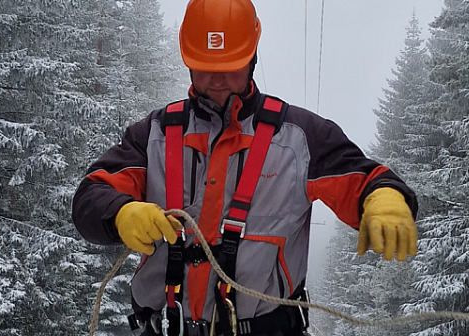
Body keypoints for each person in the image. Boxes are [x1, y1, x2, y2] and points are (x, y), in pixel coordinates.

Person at [72, 0, 418, 335]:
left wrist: (384, 198)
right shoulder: (155, 134)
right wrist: (120, 212)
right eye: (206, 67)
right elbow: (91, 195)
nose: (218, 80)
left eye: (231, 66)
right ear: (189, 61)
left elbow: (364, 178)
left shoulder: (300, 136)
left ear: (252, 56)